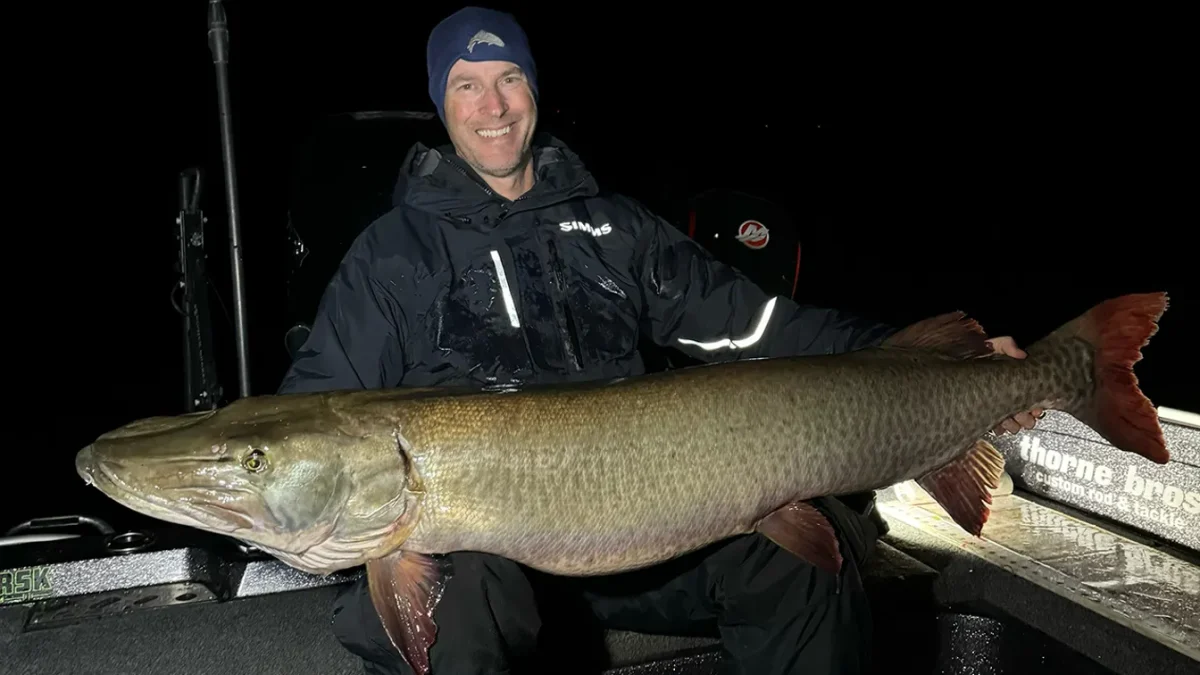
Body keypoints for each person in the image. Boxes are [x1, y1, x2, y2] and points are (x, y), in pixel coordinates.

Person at [277, 7, 1042, 674]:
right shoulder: (393, 254)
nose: (492, 106)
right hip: (495, 556)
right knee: (462, 600)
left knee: (802, 560)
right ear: (440, 103)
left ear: (534, 90)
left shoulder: (615, 227)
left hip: (645, 535)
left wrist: (934, 361)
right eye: (466, 85)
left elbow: (761, 326)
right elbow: (316, 418)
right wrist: (284, 514)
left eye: (508, 77)